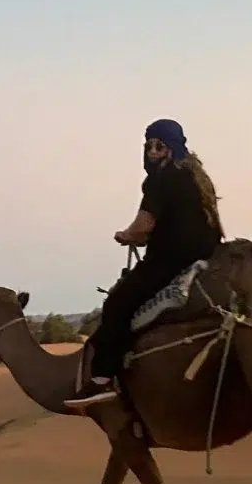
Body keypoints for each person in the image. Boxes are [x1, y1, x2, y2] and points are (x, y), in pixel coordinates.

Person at [65, 119, 223, 410]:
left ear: (172, 147)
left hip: (172, 260)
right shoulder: (197, 176)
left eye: (159, 145)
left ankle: (103, 379)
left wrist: (127, 236)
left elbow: (143, 224)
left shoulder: (161, 179)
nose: (153, 151)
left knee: (117, 304)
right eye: (149, 145)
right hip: (207, 255)